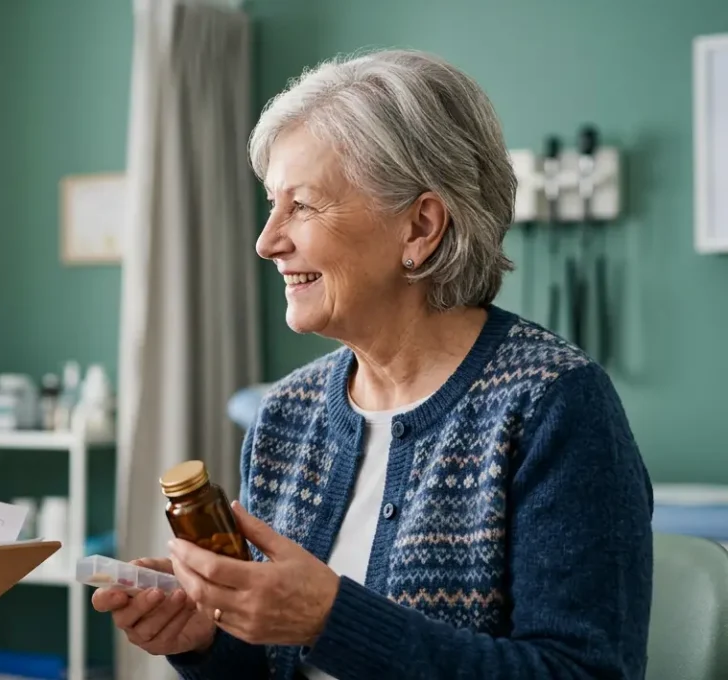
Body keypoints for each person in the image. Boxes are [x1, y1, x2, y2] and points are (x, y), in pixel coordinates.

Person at [94, 49, 653, 679]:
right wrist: (206, 642)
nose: (267, 241)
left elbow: (584, 672)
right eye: (272, 204)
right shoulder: (287, 413)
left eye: (302, 205)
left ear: (420, 227)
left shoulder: (553, 402)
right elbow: (272, 666)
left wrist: (331, 620)